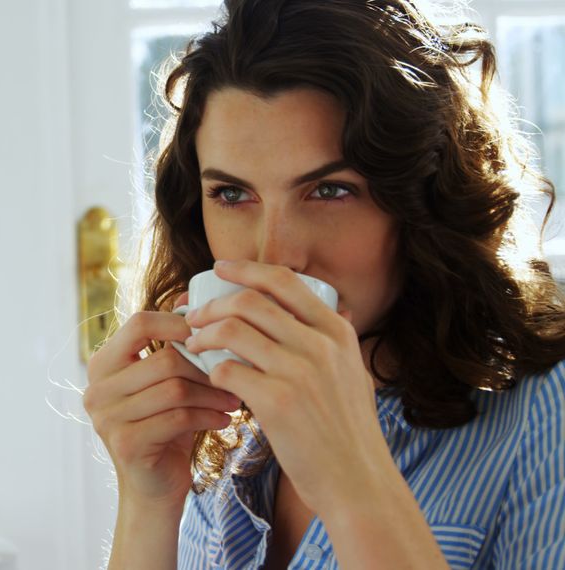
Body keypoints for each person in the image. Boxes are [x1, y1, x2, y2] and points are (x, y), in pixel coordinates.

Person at [82, 0, 565, 568]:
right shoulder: (230, 425)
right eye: (233, 195)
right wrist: (149, 501)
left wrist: (353, 481)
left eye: (330, 190)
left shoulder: (544, 417)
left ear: (426, 200)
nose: (275, 255)